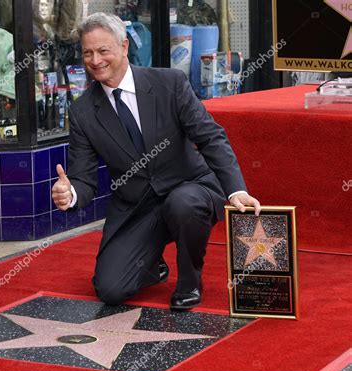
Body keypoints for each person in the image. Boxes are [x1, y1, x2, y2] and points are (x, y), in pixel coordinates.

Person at [52, 12, 261, 311]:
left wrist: (235, 189)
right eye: (88, 52)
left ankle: (189, 282)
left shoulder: (169, 83)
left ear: (124, 47)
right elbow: (83, 178)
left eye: (103, 51)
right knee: (110, 289)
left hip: (190, 186)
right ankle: (152, 265)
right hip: (137, 205)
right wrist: (70, 194)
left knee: (183, 203)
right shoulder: (83, 111)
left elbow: (210, 136)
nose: (95, 60)